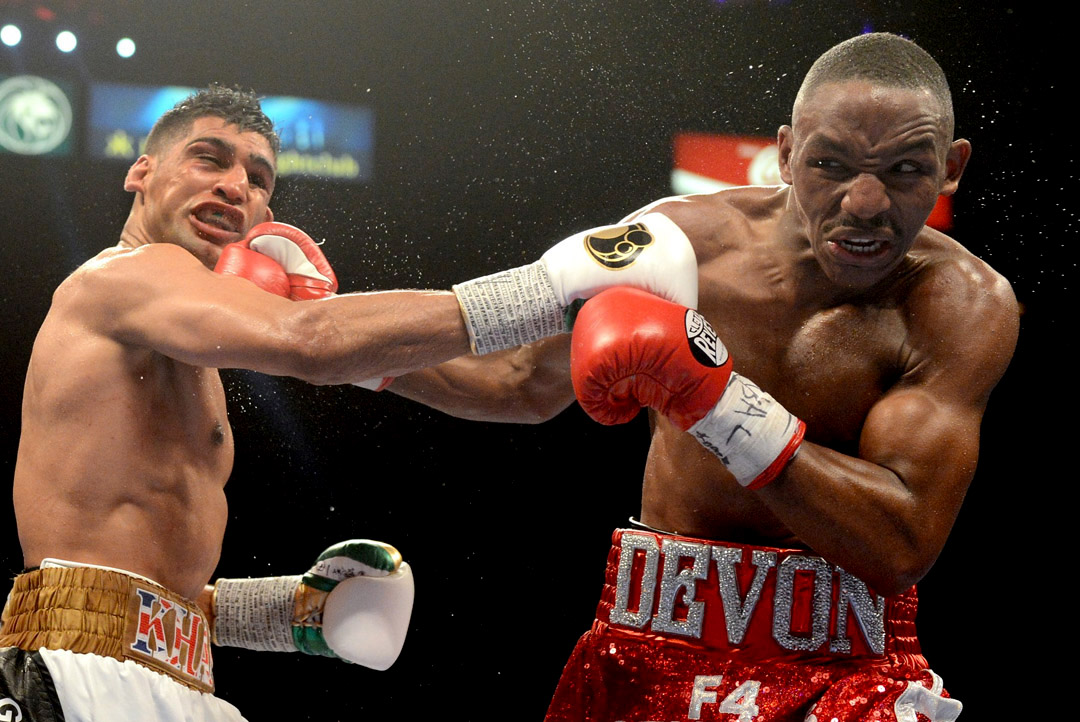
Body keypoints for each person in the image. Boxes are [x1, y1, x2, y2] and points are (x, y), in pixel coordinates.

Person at [0, 86, 698, 721]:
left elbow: (514, 389)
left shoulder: (195, 344)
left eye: (257, 178)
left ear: (266, 216)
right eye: (208, 158)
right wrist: (551, 284)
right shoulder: (123, 278)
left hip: (176, 685)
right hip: (75, 671)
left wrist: (289, 612)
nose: (234, 185)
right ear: (141, 172)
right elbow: (313, 341)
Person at [387, 33, 1018, 721]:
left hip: (845, 674)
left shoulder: (959, 304)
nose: (865, 203)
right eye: (830, 164)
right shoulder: (682, 245)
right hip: (648, 646)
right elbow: (518, 380)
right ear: (785, 155)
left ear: (951, 167)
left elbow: (900, 544)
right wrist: (353, 357)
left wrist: (716, 402)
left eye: (905, 170)